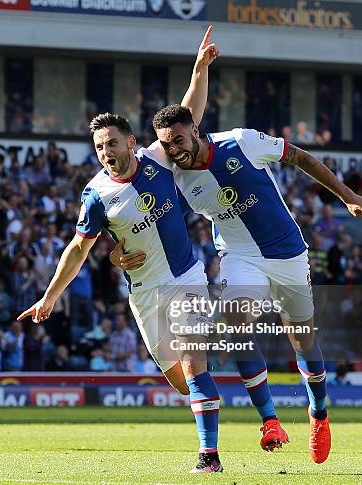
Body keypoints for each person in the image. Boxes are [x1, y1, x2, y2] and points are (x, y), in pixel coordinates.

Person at [112, 103, 362, 465]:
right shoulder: (173, 173)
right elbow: (135, 209)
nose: (173, 148)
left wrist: (347, 196)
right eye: (166, 143)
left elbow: (301, 158)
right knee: (235, 328)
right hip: (239, 256)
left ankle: (318, 414)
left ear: (195, 129)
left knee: (303, 340)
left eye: (178, 139)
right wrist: (117, 256)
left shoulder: (241, 141)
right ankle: (270, 421)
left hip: (288, 254)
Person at [19, 26, 225, 475]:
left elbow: (189, 111)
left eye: (112, 142)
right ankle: (207, 408)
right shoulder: (95, 195)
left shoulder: (158, 157)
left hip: (185, 277)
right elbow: (78, 249)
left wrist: (199, 68)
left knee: (193, 361)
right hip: (144, 293)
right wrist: (50, 296)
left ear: (131, 142)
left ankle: (209, 456)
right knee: (180, 379)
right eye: (99, 147)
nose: (106, 151)